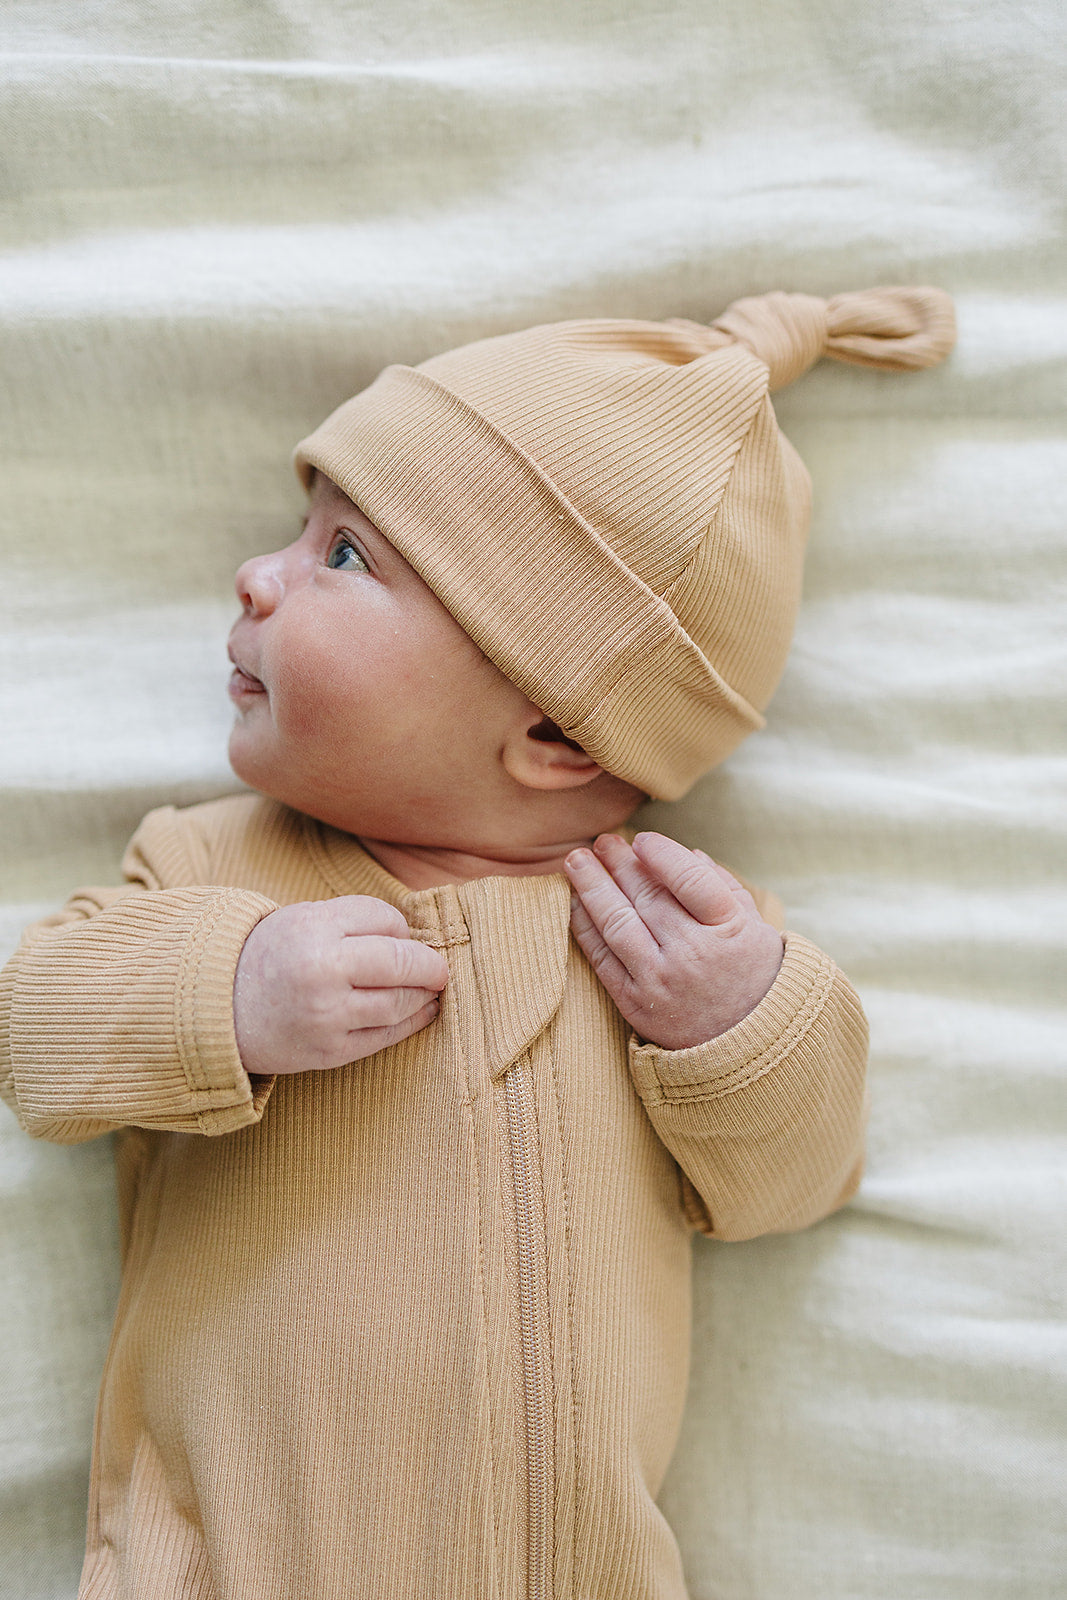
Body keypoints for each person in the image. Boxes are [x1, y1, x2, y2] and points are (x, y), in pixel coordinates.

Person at [0, 285, 955, 1600]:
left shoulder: (658, 939)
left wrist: (742, 1024)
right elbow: (36, 1034)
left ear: (557, 738)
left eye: (345, 557)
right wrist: (226, 992)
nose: (256, 575)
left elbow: (790, 1184)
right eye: (302, 529)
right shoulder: (216, 864)